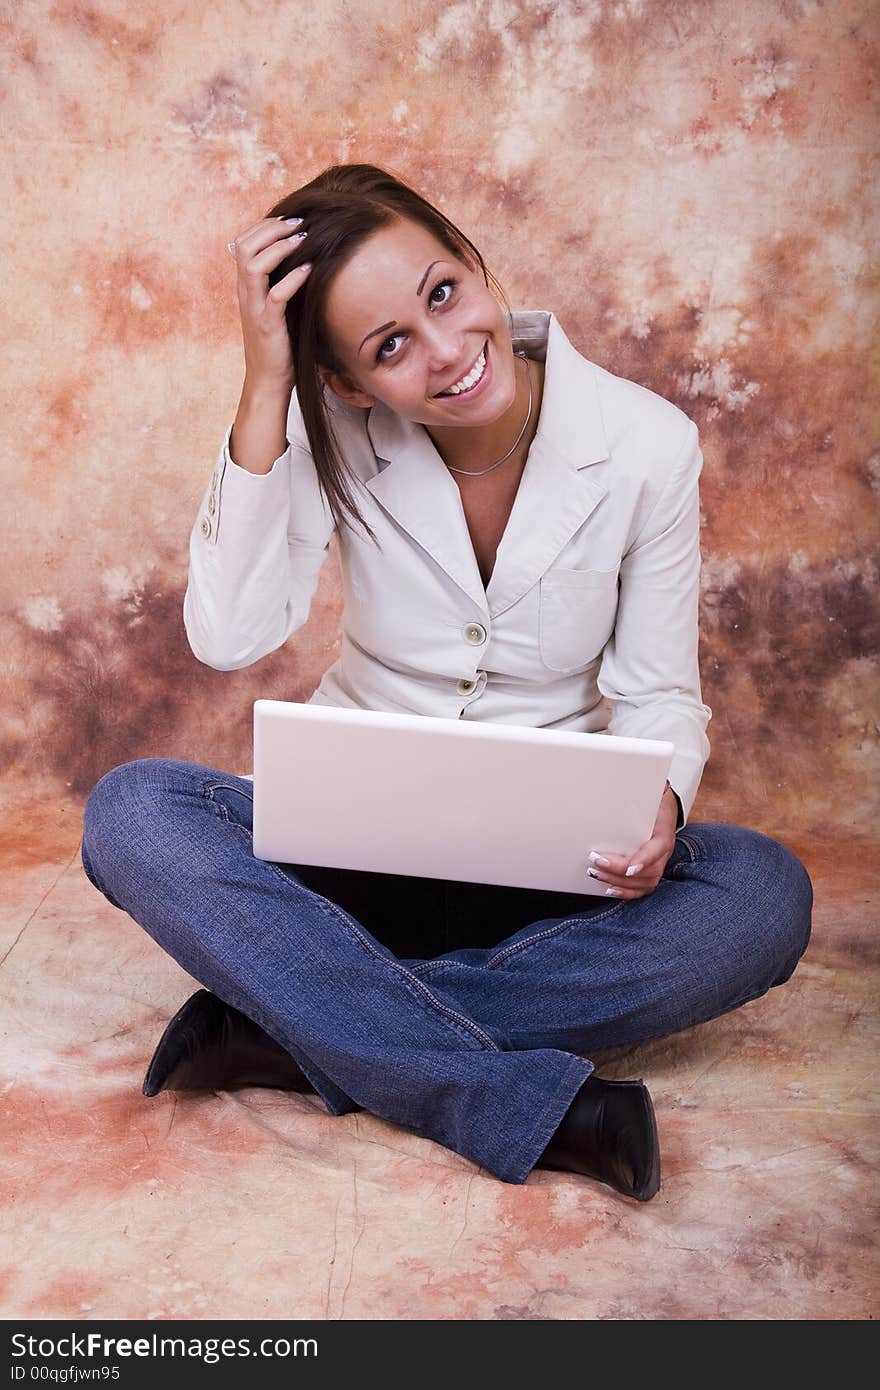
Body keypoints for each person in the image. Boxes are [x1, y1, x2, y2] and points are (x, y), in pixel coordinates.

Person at [80, 163, 813, 1202]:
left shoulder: (648, 444)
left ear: (473, 262)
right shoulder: (326, 425)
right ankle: (507, 1096)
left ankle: (291, 1029)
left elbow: (658, 693)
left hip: (551, 886)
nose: (446, 352)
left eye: (443, 294)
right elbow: (230, 632)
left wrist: (664, 799)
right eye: (388, 347)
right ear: (344, 381)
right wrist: (262, 384)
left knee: (763, 893)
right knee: (132, 811)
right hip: (339, 868)